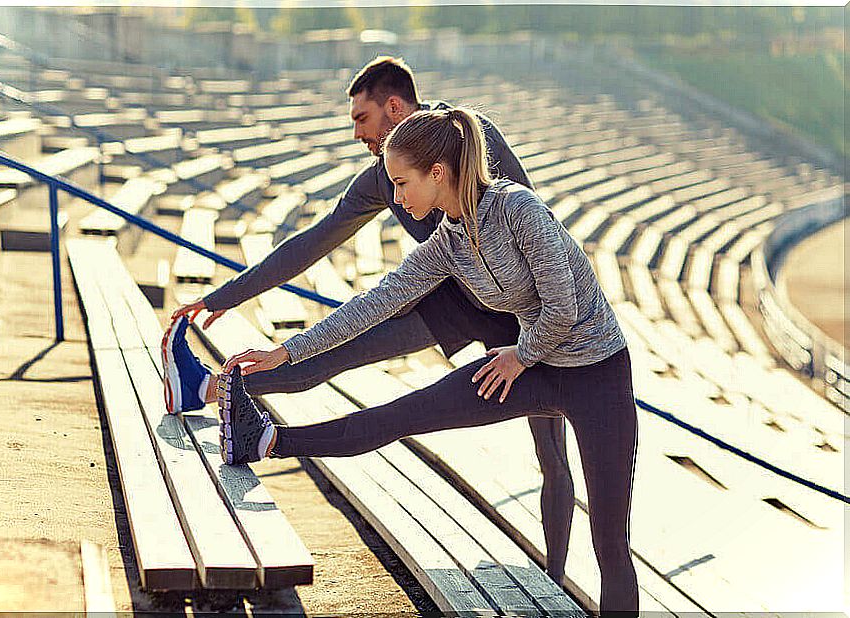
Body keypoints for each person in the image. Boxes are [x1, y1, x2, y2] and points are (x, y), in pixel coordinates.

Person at [163, 56, 575, 587]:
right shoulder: (381, 178)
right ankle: (206, 388)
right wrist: (228, 295)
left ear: (395, 107)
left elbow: (535, 234)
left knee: (551, 449)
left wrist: (535, 342)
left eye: (361, 118)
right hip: (451, 299)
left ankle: (558, 578)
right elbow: (314, 242)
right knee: (329, 355)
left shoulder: (471, 138)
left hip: (525, 312)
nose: (355, 132)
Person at [212, 108, 639, 613]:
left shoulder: (519, 210)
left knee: (610, 544)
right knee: (403, 414)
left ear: (438, 173)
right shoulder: (450, 242)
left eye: (401, 183)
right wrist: (285, 352)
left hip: (597, 377)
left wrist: (521, 356)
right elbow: (376, 303)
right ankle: (267, 440)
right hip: (533, 366)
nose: (397, 198)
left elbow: (563, 308)